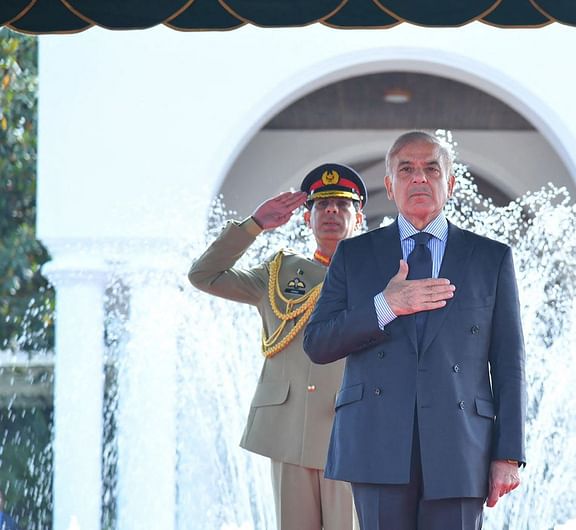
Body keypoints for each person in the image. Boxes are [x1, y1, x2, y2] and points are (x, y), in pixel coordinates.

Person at [304, 131, 526, 529]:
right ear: (390, 186)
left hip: (461, 446)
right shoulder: (354, 255)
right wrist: (385, 306)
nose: (419, 178)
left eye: (431, 169)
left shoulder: (490, 258)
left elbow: (509, 363)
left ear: (450, 183)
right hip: (376, 443)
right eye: (406, 169)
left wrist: (507, 455)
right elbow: (318, 342)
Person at [188, 163, 367, 530]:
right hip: (290, 430)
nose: (331, 211)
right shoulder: (280, 272)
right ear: (306, 218)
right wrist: (255, 224)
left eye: (341, 204)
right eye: (321, 205)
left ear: (359, 217)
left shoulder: (379, 275)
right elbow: (204, 275)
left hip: (350, 432)